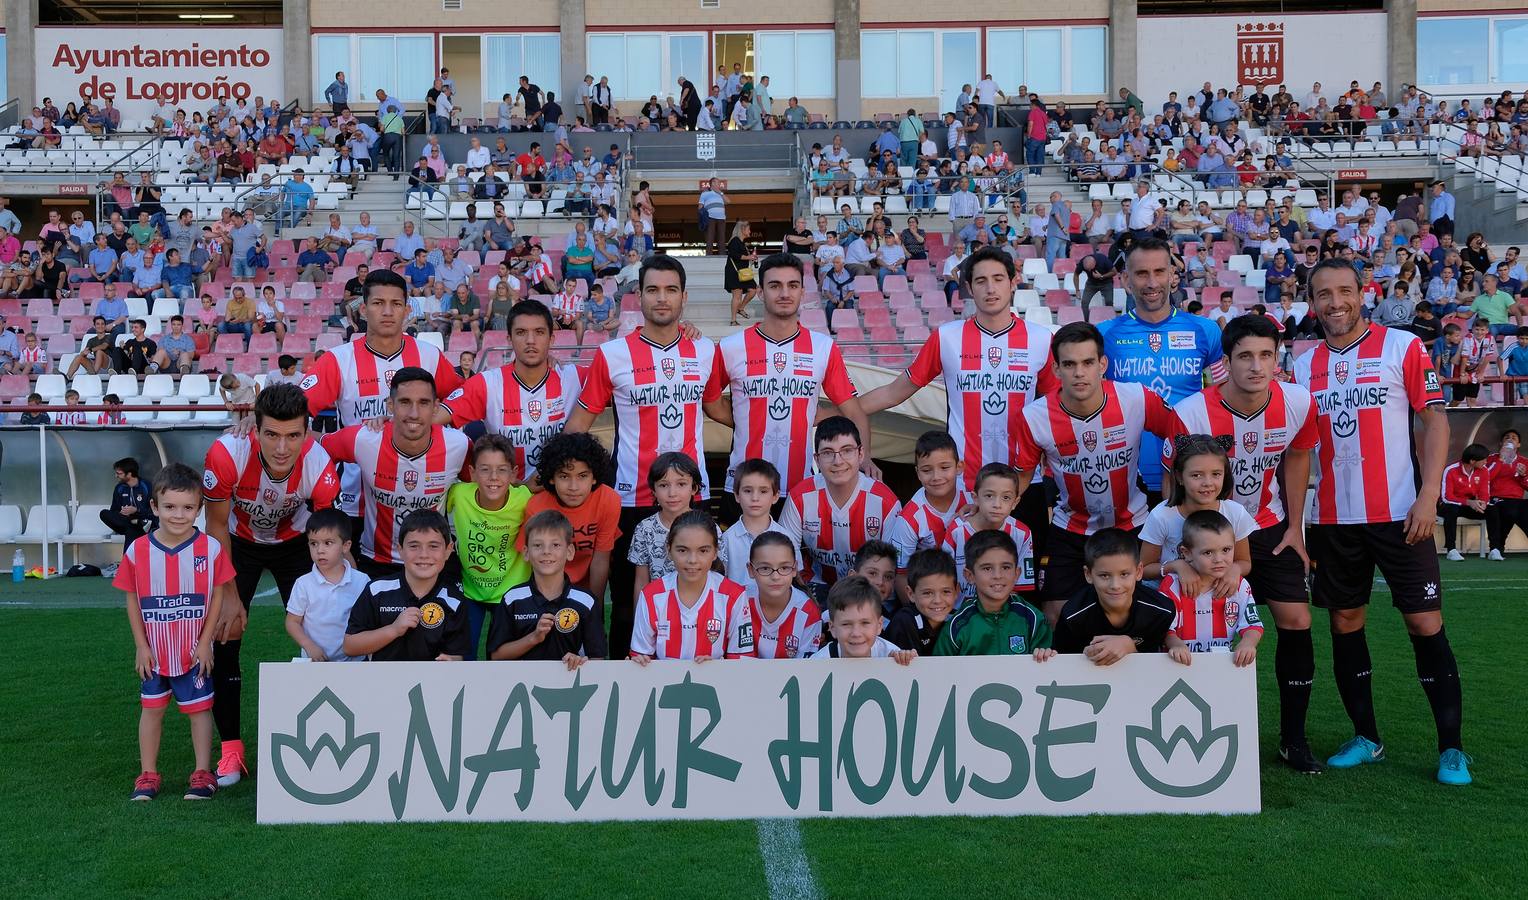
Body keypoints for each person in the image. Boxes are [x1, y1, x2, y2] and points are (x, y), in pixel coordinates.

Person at [1292, 259, 1468, 785]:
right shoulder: (1302, 367)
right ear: (1311, 301)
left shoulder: (1403, 347)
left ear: (1361, 293)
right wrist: (1298, 524)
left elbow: (1434, 420)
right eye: (1323, 293)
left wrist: (1428, 495)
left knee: (1424, 623)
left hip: (1400, 515)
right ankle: (1367, 737)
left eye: (1344, 290)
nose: (1335, 302)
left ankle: (1452, 749)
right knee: (1345, 622)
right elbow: (1299, 452)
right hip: (1332, 521)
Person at [1164, 314, 1321, 770]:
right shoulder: (1192, 411)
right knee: (1190, 633)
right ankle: (1190, 733)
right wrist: (1186, 548)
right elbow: (1173, 483)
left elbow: (1297, 457)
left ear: (1279, 357)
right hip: (1206, 533)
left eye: (1266, 355)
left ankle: (1293, 739)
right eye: (1245, 356)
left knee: (1296, 619)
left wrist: (1295, 525)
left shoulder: (1296, 401)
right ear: (1226, 361)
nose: (1256, 366)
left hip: (1268, 526)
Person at [563, 255, 720, 659]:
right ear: (639, 296)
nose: (662, 299)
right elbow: (580, 421)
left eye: (670, 290)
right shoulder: (613, 354)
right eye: (653, 290)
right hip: (630, 499)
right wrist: (548, 477)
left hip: (691, 497)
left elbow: (720, 409)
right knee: (631, 603)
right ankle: (624, 685)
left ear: (684, 297)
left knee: (697, 595)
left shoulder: (706, 351)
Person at [859, 246, 1058, 549]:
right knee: (960, 581)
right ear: (968, 287)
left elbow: (1057, 411)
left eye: (998, 279)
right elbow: (894, 392)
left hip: (1023, 485)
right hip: (966, 486)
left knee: (1027, 587)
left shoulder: (1042, 339)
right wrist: (838, 411)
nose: (990, 288)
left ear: (1013, 281)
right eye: (980, 281)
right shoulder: (947, 337)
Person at [201, 383, 341, 786]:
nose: (282, 448)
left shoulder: (317, 461)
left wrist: (333, 585)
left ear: (307, 432)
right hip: (236, 544)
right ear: (254, 429)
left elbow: (325, 532)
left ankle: (326, 736)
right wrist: (227, 595)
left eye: (294, 435)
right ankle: (230, 752)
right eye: (272, 435)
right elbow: (214, 528)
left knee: (323, 634)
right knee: (225, 637)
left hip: (295, 544)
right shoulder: (227, 453)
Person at [1012, 321, 1179, 623]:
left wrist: (1172, 492)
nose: (1079, 372)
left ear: (1103, 364)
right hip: (1071, 528)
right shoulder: (1034, 417)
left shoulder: (1136, 398)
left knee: (1146, 612)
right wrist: (989, 512)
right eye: (1070, 364)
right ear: (1055, 369)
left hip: (1133, 524)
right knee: (1055, 616)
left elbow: (1180, 436)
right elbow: (1021, 480)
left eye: (1088, 362)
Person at [302, 270, 462, 524]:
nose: (387, 311)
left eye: (396, 304)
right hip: (355, 502)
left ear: (407, 310)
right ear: (363, 310)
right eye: (378, 303)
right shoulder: (338, 360)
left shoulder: (429, 355)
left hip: (421, 500)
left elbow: (461, 401)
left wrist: (433, 418)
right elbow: (292, 413)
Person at [117, 463, 233, 802]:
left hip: (192, 650)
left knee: (199, 710)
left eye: (187, 508)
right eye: (169, 507)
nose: (178, 515)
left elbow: (218, 595)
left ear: (199, 509)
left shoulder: (210, 549)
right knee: (151, 710)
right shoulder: (137, 551)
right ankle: (148, 774)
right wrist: (141, 645)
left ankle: (201, 772)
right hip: (155, 649)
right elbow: (132, 600)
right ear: (154, 507)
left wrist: (206, 642)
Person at [710, 253, 871, 495]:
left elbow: (853, 410)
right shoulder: (731, 347)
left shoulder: (823, 347)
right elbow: (711, 403)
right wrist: (749, 422)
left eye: (792, 285)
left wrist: (865, 457)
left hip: (801, 486)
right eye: (775, 286)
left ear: (802, 292)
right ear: (761, 292)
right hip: (743, 488)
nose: (785, 293)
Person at [1097, 237, 1225, 502]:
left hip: (1189, 477)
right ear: (1125, 280)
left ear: (1172, 274)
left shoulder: (1206, 331)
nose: (1152, 283)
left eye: (1159, 272)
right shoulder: (1105, 335)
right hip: (1127, 477)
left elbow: (1221, 400)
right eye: (1142, 274)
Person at [321, 368, 469, 580]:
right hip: (378, 561)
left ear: (436, 407)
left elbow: (483, 482)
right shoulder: (365, 440)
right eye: (405, 402)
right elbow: (318, 451)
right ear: (391, 406)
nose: (414, 414)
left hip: (435, 561)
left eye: (424, 403)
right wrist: (331, 518)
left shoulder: (458, 445)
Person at [437, 299, 580, 486]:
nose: (530, 340)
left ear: (551, 339)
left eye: (539, 332)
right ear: (509, 339)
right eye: (521, 333)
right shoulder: (487, 383)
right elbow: (430, 421)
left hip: (559, 495)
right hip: (507, 496)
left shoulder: (574, 378)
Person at [779, 416, 902, 603]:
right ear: (817, 460)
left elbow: (892, 569)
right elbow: (784, 556)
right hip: (817, 588)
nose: (838, 461)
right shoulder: (800, 497)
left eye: (846, 451)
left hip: (869, 593)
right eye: (828, 452)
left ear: (861, 454)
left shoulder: (885, 502)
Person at [446, 434, 533, 659]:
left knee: (503, 659)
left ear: (514, 474)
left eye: (502, 470)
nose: (493, 477)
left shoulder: (525, 499)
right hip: (470, 590)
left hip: (511, 591)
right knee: (464, 655)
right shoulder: (458, 494)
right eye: (485, 469)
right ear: (472, 473)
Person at [343, 511, 470, 661]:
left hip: (431, 682)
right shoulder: (377, 591)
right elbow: (350, 646)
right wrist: (394, 629)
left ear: (448, 551)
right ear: (400, 550)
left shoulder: (454, 601)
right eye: (414, 546)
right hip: (381, 681)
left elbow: (456, 655)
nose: (424, 554)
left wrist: (451, 660)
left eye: (433, 546)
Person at [487, 510, 604, 668]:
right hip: (522, 689)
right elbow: (496, 656)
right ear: (526, 553)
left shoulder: (585, 601)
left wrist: (579, 661)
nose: (546, 551)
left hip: (571, 689)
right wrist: (533, 638)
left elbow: (598, 660)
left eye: (555, 545)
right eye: (537, 545)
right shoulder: (513, 599)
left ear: (569, 552)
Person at [1051, 529, 1187, 664]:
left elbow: (1152, 667)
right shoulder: (1072, 615)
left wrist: (1129, 645)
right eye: (1104, 575)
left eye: (1124, 574)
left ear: (1139, 571)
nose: (1115, 585)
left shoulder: (1161, 610)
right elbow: (1062, 665)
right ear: (1088, 574)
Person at [629, 510, 745, 662]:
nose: (692, 560)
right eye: (683, 550)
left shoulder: (734, 596)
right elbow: (640, 656)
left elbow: (743, 662)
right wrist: (639, 661)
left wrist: (716, 669)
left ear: (715, 552)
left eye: (703, 550)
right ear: (669, 551)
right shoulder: (651, 595)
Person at [522, 432, 621, 605]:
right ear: (552, 478)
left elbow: (601, 559)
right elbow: (532, 563)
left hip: (586, 586)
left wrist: (594, 607)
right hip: (547, 586)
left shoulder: (609, 500)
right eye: (564, 476)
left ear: (594, 477)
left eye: (582, 476)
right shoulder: (536, 506)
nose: (573, 487)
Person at [1142, 435, 1255, 586]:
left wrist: (1235, 569)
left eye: (1216, 474)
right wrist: (1176, 566)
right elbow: (1143, 569)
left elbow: (1244, 562)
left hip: (1215, 596)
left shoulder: (1236, 513)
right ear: (1179, 476)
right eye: (1196, 475)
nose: (1207, 483)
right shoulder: (1162, 516)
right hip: (1168, 598)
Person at [1158, 510, 1264, 666]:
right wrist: (1175, 644)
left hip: (1219, 665)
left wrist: (1248, 643)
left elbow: (1252, 624)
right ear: (1186, 553)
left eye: (1226, 550)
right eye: (1208, 552)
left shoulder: (1239, 585)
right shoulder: (1172, 585)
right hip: (1176, 665)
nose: (1219, 559)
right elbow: (1164, 627)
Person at [935, 530, 1055, 659]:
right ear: (969, 576)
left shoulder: (1034, 619)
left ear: (1017, 573)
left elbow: (1046, 674)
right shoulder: (957, 626)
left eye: (1006, 567)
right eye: (987, 568)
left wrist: (1045, 657)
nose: (997, 576)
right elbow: (939, 673)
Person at [887, 431, 971, 603]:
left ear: (959, 467)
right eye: (927, 470)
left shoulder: (974, 497)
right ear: (917, 472)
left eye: (944, 468)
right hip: (933, 603)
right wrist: (920, 619)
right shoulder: (909, 519)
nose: (936, 477)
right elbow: (901, 574)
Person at [940, 464, 1035, 605]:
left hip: (1002, 615)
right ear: (975, 498)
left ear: (1015, 502)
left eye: (1006, 498)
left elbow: (1018, 585)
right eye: (989, 495)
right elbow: (942, 579)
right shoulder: (957, 531)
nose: (997, 504)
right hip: (959, 613)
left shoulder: (1022, 533)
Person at [283, 509, 369, 663]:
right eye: (313, 543)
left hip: (355, 662)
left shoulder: (362, 581)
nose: (320, 550)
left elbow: (370, 622)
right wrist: (309, 646)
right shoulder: (303, 584)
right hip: (315, 661)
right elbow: (292, 622)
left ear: (346, 546)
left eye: (328, 543)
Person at [724, 531, 822, 659]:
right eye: (765, 568)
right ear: (751, 570)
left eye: (784, 568)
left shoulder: (808, 612)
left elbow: (806, 670)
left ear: (794, 569)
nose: (775, 576)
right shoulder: (738, 601)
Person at [628, 452, 702, 593]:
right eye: (663, 485)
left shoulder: (707, 528)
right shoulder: (644, 529)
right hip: (658, 608)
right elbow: (642, 582)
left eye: (681, 484)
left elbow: (717, 576)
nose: (672, 493)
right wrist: (640, 614)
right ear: (653, 490)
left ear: (694, 488)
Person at [719, 458, 795, 584]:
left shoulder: (787, 537)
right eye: (748, 491)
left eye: (763, 491)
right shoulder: (726, 539)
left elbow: (793, 578)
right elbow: (722, 581)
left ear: (775, 496)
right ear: (737, 495)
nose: (755, 498)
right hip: (737, 603)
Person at [810, 576, 918, 663]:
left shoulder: (891, 656)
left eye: (865, 623)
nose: (856, 633)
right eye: (846, 624)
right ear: (832, 628)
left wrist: (908, 662)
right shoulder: (818, 664)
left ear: (879, 625)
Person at [883, 549, 958, 655]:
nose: (937, 600)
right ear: (911, 594)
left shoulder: (958, 620)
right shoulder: (905, 622)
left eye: (946, 591)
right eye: (927, 593)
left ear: (956, 591)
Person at [1439, 443, 1491, 561]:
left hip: (1469, 505)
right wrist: (1468, 502)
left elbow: (1484, 492)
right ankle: (1451, 550)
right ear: (1472, 461)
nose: (1486, 462)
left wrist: (1482, 503)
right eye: (1483, 460)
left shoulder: (1484, 470)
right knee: (1451, 509)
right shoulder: (1451, 470)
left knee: (1493, 510)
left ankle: (1495, 549)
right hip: (1448, 505)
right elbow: (1446, 497)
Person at [101, 457, 155, 551]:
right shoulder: (119, 488)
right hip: (130, 523)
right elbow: (113, 511)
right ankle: (136, 523)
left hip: (145, 521)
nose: (116, 476)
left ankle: (137, 523)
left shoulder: (146, 486)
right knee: (104, 513)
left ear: (129, 474)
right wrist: (121, 512)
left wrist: (136, 510)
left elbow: (154, 511)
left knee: (132, 530)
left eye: (119, 473)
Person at [1450, 318, 1497, 408]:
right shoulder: (1468, 338)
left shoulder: (1490, 338)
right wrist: (1462, 374)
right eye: (1477, 329)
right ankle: (1448, 414)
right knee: (1458, 399)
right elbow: (1464, 357)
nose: (1479, 332)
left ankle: (1471, 419)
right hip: (1462, 368)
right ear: (1472, 329)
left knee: (1472, 399)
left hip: (1475, 369)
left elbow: (1487, 357)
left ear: (1487, 330)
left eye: (1482, 330)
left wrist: (1481, 373)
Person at [725, 220, 758, 325]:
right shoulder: (734, 241)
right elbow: (734, 255)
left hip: (743, 272)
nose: (750, 231)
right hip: (734, 272)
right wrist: (748, 257)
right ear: (743, 230)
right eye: (748, 229)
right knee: (737, 296)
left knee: (753, 289)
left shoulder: (742, 243)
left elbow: (741, 256)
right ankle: (733, 320)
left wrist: (751, 258)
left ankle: (741, 308)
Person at [699, 178, 727, 255]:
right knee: (710, 238)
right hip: (710, 217)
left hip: (721, 218)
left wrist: (720, 193)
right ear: (713, 183)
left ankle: (722, 256)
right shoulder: (705, 193)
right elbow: (700, 207)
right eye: (718, 182)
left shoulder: (720, 194)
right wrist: (703, 216)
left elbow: (728, 201)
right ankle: (708, 256)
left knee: (722, 238)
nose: (719, 184)